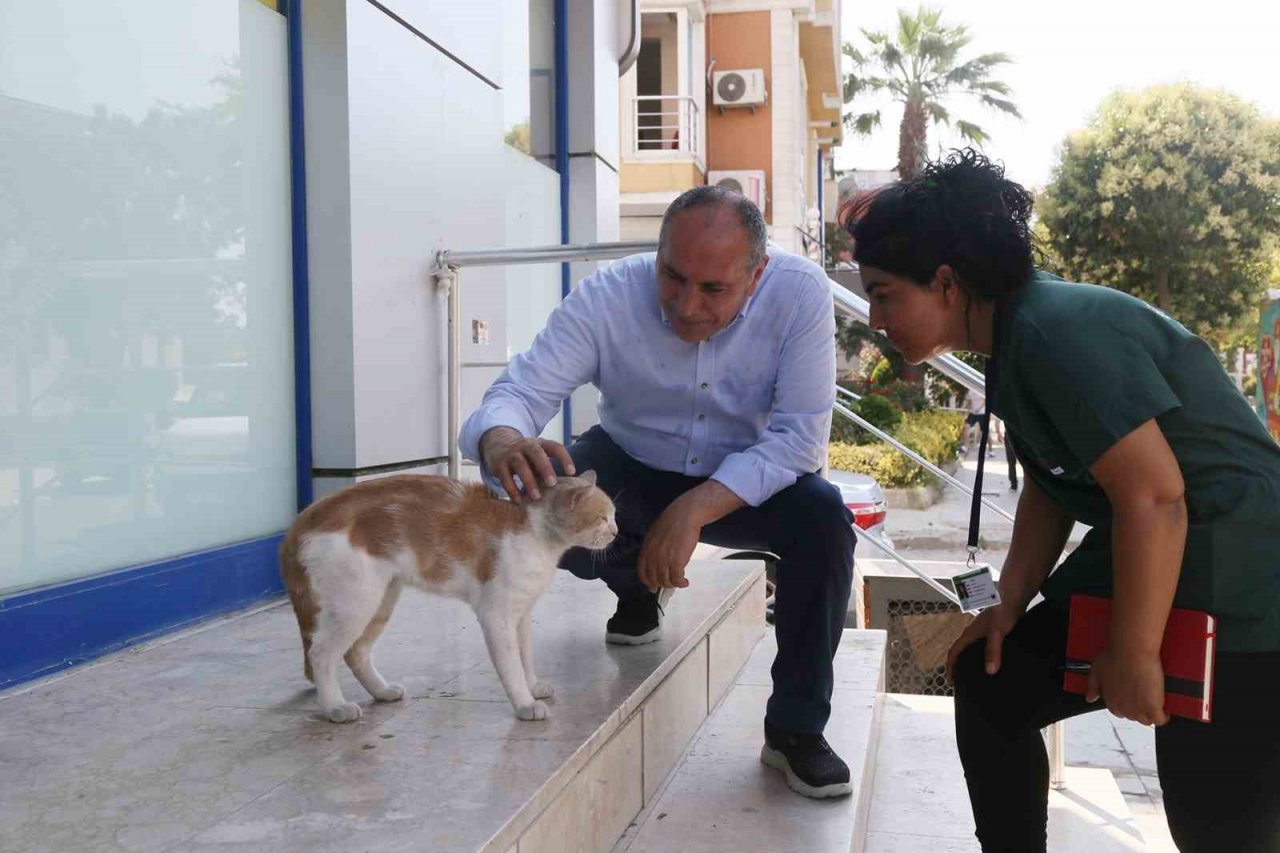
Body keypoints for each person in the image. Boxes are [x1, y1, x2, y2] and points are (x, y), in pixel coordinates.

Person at [842, 148, 1280, 852]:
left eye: (885, 292)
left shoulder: (1052, 328)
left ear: (947, 283)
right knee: (994, 680)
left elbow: (1156, 496)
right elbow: (1052, 491)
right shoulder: (1016, 339)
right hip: (1163, 552)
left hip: (1244, 576)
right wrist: (1007, 605)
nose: (874, 316)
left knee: (1216, 824)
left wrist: (1134, 650)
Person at [460, 186, 857, 799]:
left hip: (746, 477)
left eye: (714, 290)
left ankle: (796, 732)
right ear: (659, 252)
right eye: (672, 276)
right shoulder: (607, 296)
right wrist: (503, 440)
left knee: (825, 521)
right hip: (630, 461)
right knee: (539, 503)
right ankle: (637, 588)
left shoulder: (800, 292)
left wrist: (694, 508)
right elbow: (519, 391)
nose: (686, 306)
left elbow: (799, 440)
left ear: (757, 275)